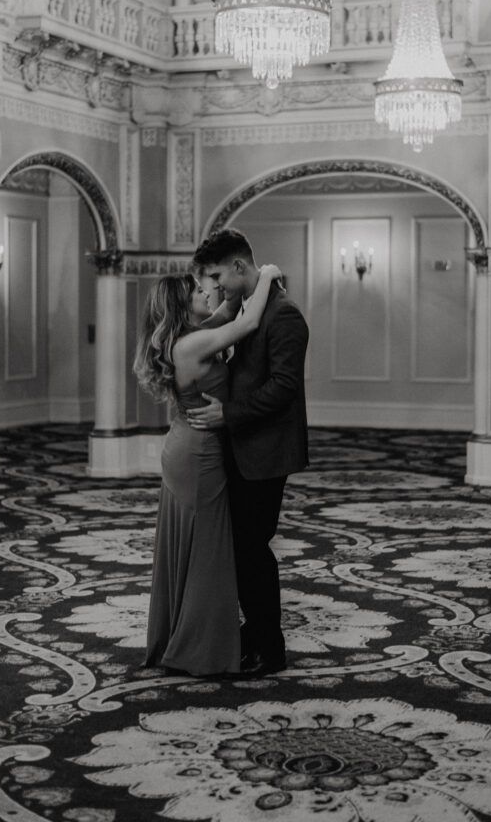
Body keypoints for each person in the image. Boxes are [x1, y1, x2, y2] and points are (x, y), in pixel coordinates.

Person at [133, 264, 282, 677]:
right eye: (200, 289)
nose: (209, 291)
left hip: (191, 446)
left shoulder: (190, 338)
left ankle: (190, 636)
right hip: (197, 455)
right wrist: (267, 274)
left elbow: (228, 311)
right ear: (184, 304)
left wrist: (238, 283)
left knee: (203, 545)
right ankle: (198, 648)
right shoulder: (190, 346)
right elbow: (247, 322)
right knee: (207, 550)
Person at [188, 229, 310, 675]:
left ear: (240, 266)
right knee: (242, 549)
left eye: (219, 275)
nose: (216, 285)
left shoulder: (285, 315)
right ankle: (252, 635)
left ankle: (269, 647)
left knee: (252, 549)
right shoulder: (243, 308)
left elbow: (283, 388)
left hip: (266, 450)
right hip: (240, 448)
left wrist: (229, 415)